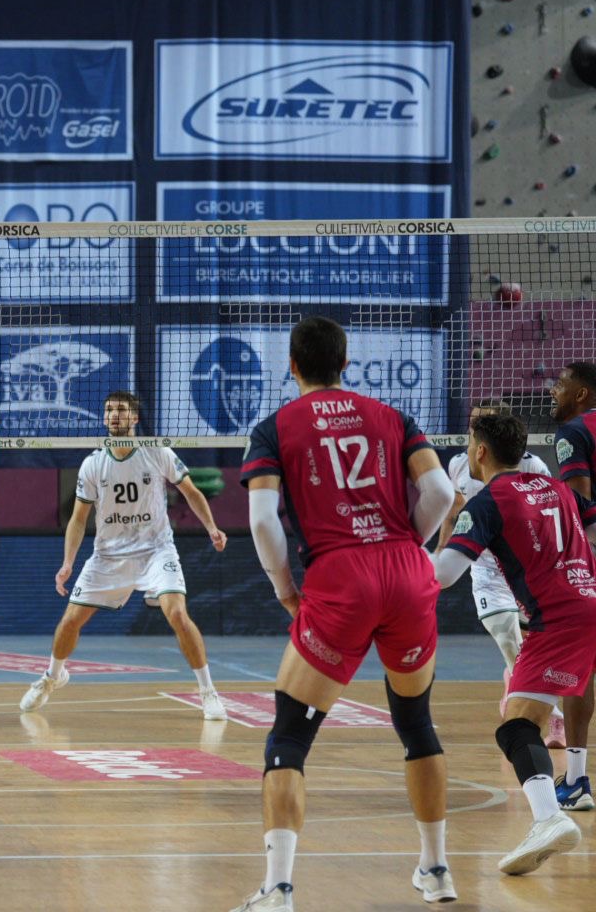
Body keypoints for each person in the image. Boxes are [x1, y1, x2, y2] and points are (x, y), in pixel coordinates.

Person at [232, 316, 457, 911]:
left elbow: (261, 522)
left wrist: (285, 587)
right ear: (346, 361)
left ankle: (278, 888)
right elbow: (440, 495)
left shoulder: (273, 428)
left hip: (339, 576)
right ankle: (435, 870)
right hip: (409, 572)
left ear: (292, 365)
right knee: (415, 723)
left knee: (289, 734)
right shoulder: (391, 417)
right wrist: (402, 544)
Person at [433, 411, 596, 875]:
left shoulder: (488, 502)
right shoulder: (561, 488)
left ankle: (549, 818)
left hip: (561, 616)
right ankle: (553, 809)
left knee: (517, 725)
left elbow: (444, 574)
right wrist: (573, 567)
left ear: (481, 451)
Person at [20, 391, 229, 720]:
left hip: (155, 549)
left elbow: (191, 491)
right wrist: (67, 563)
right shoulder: (92, 463)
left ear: (134, 418)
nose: (113, 415)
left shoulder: (157, 452)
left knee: (176, 614)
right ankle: (51, 677)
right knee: (70, 621)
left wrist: (212, 528)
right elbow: (77, 519)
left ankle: (208, 691)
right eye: (108, 410)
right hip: (108, 556)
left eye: (120, 410)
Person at [436, 400, 563, 743]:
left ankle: (519, 686)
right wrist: (439, 553)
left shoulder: (532, 465)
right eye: (472, 423)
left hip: (527, 565)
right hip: (484, 566)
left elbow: (550, 510)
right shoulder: (459, 465)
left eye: (481, 425)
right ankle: (553, 715)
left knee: (534, 645)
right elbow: (453, 511)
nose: (472, 431)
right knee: (508, 636)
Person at [549, 359, 596, 809]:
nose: (554, 390)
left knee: (578, 675)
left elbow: (581, 502)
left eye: (562, 384)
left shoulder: (573, 432)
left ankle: (575, 780)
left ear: (582, 394)